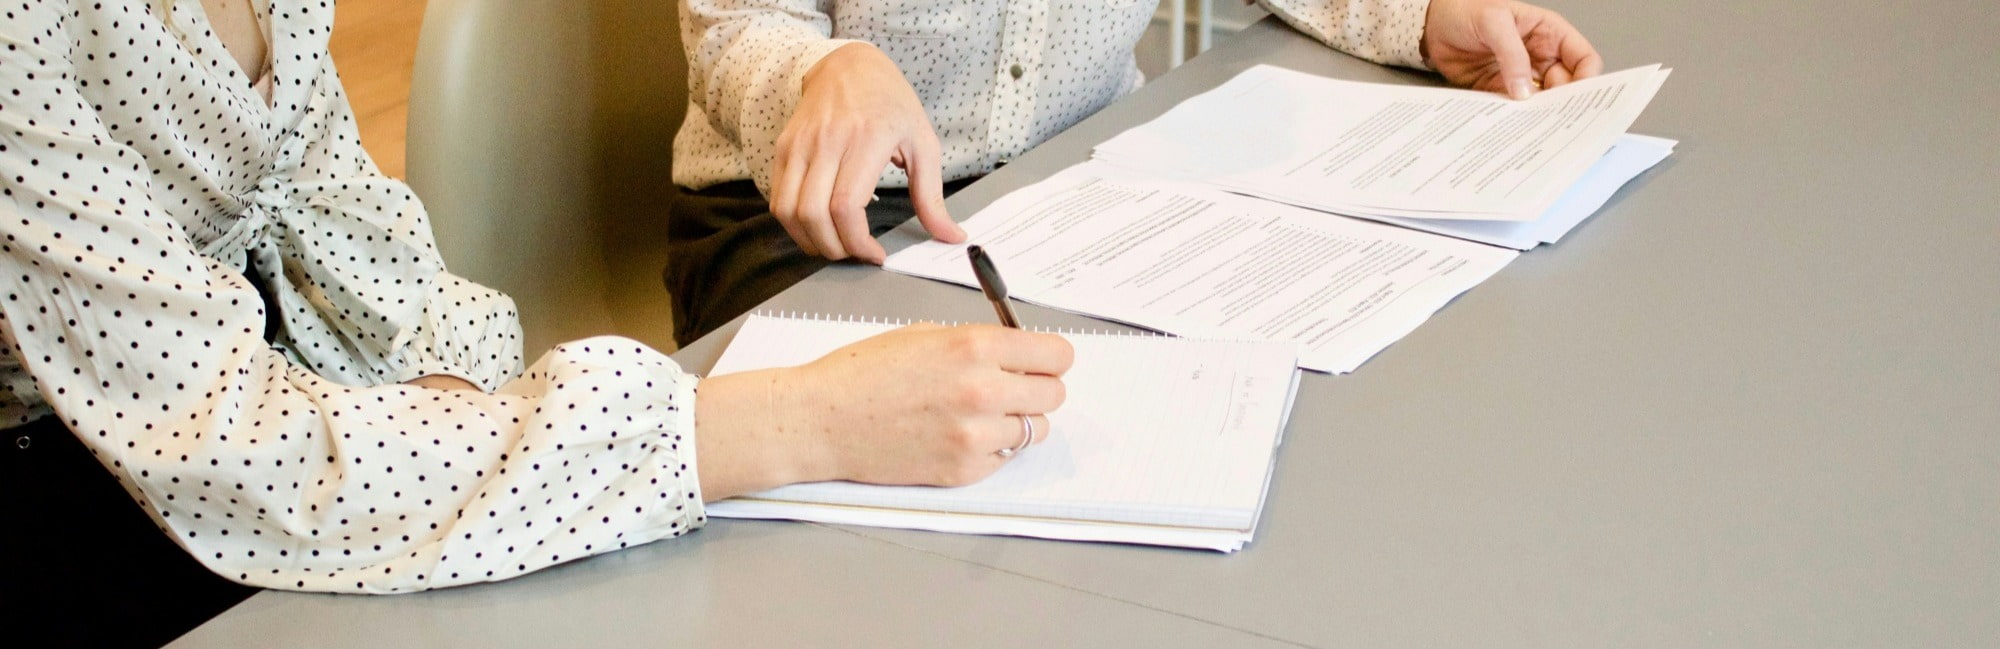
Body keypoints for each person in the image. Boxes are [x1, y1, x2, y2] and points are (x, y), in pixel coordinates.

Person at [0, 1, 1072, 646]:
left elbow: (340, 217)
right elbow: (236, 448)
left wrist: (457, 400)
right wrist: (796, 423)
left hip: (247, 391)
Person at [665, 0, 1604, 344]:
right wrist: (825, 72)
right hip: (797, 217)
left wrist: (1421, 17)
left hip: (1071, 191)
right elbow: (733, 32)